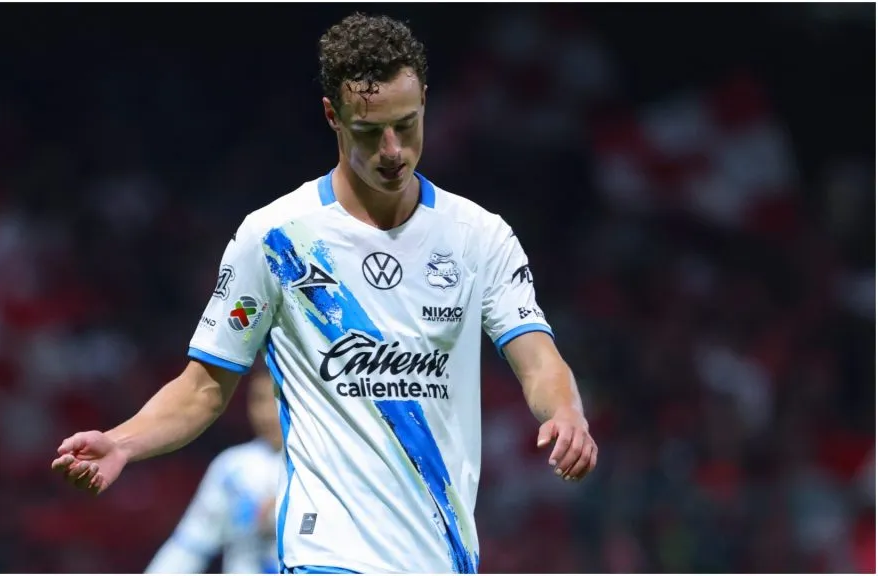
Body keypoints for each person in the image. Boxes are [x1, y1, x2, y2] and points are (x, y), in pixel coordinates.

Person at [52, 12, 598, 574]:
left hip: (443, 557)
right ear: (332, 116)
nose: (392, 150)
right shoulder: (274, 238)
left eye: (406, 125)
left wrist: (566, 413)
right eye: (369, 132)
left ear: (426, 102)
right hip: (326, 555)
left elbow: (538, 361)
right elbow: (201, 389)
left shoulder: (478, 236)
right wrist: (121, 442)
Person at [146, 369, 283, 574]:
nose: (266, 412)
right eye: (258, 400)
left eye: (276, 399)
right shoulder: (232, 468)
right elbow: (190, 545)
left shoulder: (321, 464)